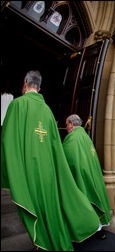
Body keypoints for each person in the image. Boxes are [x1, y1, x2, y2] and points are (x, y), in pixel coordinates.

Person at [1, 70, 101, 251]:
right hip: (48, 172)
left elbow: (8, 141)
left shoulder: (17, 104)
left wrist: (10, 171)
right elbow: (56, 146)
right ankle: (55, 243)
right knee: (50, 209)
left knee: (34, 209)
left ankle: (46, 244)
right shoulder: (47, 111)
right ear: (39, 87)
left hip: (28, 171)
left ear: (25, 83)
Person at [63, 114, 112, 239]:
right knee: (93, 199)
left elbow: (67, 159)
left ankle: (88, 228)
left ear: (71, 124)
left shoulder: (73, 137)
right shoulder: (85, 136)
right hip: (91, 174)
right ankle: (99, 228)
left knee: (84, 201)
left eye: (66, 124)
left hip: (80, 175)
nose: (66, 128)